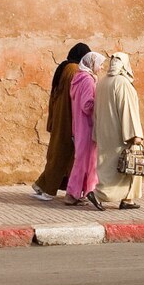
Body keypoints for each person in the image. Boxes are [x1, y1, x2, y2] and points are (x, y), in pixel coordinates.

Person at [32, 42, 91, 201]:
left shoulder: (65, 68)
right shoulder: (73, 70)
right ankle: (48, 190)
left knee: (58, 155)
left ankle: (42, 185)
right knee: (62, 156)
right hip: (68, 120)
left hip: (60, 119)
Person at [93, 51, 144, 210]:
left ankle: (128, 199)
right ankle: (98, 194)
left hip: (104, 131)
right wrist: (135, 134)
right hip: (120, 133)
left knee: (106, 166)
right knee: (128, 166)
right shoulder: (122, 83)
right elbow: (127, 110)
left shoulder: (102, 82)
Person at [64, 50, 105, 205]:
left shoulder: (78, 78)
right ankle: (73, 193)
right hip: (87, 126)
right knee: (84, 161)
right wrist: (100, 102)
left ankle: (81, 192)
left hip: (79, 126)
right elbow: (87, 105)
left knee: (83, 160)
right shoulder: (87, 80)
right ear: (92, 64)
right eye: (100, 64)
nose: (101, 68)